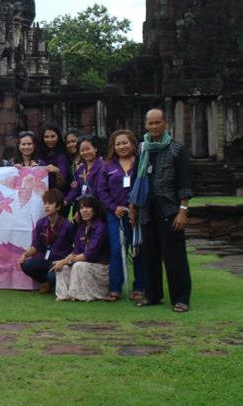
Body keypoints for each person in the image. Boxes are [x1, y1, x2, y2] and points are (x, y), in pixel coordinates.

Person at [130, 108, 193, 313]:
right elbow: (136, 181)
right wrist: (133, 206)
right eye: (150, 123)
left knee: (174, 256)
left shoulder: (176, 150)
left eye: (158, 123)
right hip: (147, 209)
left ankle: (181, 298)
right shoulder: (142, 149)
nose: (154, 127)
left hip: (170, 209)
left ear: (165, 123)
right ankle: (153, 294)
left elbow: (184, 182)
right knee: (150, 254)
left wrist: (183, 210)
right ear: (146, 125)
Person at [98, 129, 146, 302]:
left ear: (133, 143)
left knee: (137, 249)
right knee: (117, 250)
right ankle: (115, 289)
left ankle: (140, 287)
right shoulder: (108, 165)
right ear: (113, 147)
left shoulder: (141, 162)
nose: (122, 146)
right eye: (118, 144)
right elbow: (101, 191)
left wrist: (137, 207)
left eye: (125, 142)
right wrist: (113, 207)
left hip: (138, 214)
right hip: (115, 214)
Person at [52, 194, 110, 301]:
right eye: (81, 208)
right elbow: (76, 251)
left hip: (100, 268)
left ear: (95, 209)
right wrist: (63, 261)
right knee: (63, 268)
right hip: (85, 264)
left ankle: (81, 295)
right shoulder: (81, 228)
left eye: (88, 207)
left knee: (78, 265)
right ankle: (64, 296)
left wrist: (65, 261)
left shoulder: (101, 227)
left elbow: (89, 255)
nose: (84, 210)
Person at [18, 189, 75, 293]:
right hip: (46, 261)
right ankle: (45, 282)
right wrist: (25, 255)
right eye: (45, 203)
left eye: (50, 203)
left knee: (52, 277)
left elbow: (76, 248)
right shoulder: (41, 223)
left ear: (58, 206)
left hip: (61, 262)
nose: (46, 206)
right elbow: (36, 246)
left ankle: (54, 281)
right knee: (25, 264)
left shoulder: (68, 225)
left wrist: (66, 261)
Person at [65, 134, 104, 207]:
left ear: (95, 148)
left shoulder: (103, 166)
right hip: (85, 207)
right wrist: (65, 201)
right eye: (82, 150)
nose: (85, 152)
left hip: (99, 207)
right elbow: (76, 189)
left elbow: (100, 190)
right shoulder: (81, 168)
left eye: (88, 149)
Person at [40, 123, 72, 191]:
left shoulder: (62, 155)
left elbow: (62, 183)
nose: (50, 140)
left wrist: (57, 172)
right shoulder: (38, 153)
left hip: (57, 195)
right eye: (46, 137)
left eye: (53, 136)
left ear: (58, 136)